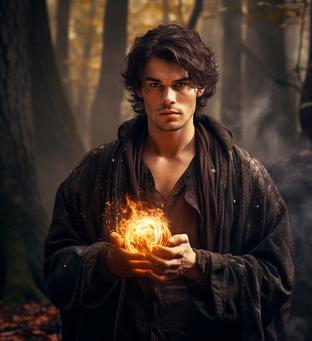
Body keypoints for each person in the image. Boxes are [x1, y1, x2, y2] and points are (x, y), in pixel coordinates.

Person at [44, 24, 293, 340]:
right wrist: (107, 262)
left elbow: (276, 280)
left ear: (200, 87)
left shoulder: (243, 176)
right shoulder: (97, 172)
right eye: (155, 84)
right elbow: (55, 270)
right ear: (139, 89)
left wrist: (199, 265)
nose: (168, 98)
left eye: (181, 84)